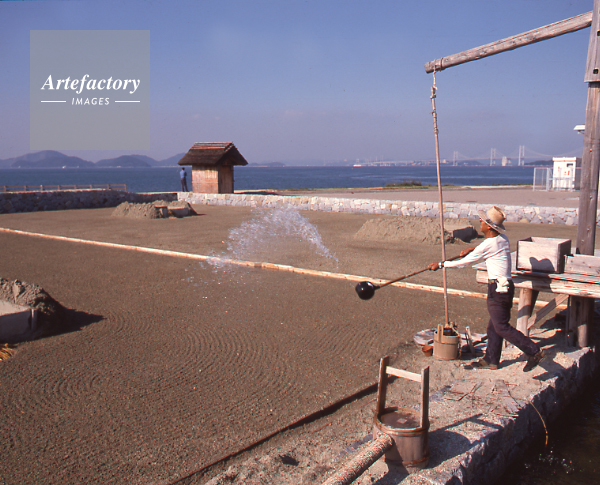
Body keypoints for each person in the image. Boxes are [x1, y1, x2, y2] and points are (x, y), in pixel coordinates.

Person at [428, 206, 546, 372]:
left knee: (501, 327)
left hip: (497, 290)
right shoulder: (502, 239)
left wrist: (441, 265)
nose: (480, 223)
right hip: (505, 288)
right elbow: (486, 251)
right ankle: (491, 359)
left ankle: (534, 351)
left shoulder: (489, 244)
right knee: (494, 326)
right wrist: (472, 250)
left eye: (482, 221)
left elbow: (464, 263)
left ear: (489, 227)